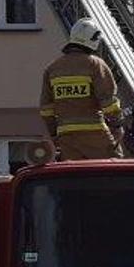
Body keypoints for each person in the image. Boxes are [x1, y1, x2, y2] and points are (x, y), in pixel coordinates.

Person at [38, 18, 123, 161]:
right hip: (95, 132)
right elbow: (108, 102)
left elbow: (46, 109)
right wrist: (117, 125)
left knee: (73, 175)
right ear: (94, 38)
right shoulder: (95, 64)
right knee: (112, 168)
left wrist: (54, 134)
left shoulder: (53, 68)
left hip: (66, 136)